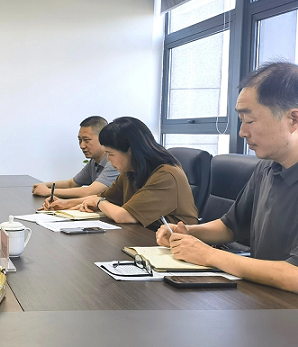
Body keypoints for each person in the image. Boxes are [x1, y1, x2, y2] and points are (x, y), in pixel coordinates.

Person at [156, 62, 298, 294]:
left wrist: (209, 255)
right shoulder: (266, 167)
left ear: (293, 119)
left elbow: (295, 276)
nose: (242, 132)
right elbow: (231, 226)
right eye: (241, 121)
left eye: (249, 121)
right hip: (260, 297)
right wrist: (189, 232)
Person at [46, 117, 198, 228]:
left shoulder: (165, 176)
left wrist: (98, 203)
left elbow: (124, 216)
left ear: (131, 151)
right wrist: (65, 204)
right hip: (144, 236)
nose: (108, 160)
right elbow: (104, 197)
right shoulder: (130, 171)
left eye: (111, 154)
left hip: (174, 246)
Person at [32, 116, 119, 204]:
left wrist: (49, 192)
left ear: (103, 138)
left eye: (86, 140)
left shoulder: (114, 163)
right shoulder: (94, 162)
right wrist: (44, 185)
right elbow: (71, 184)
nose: (82, 146)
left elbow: (90, 192)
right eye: (80, 140)